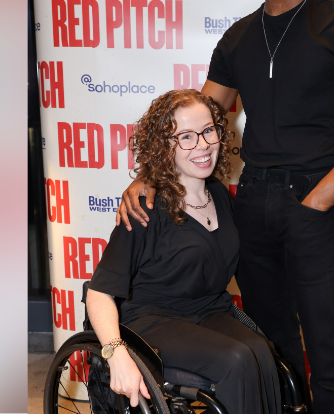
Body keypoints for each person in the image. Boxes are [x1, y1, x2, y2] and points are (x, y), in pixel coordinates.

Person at [117, 0, 334, 414]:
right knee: (272, 352)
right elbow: (193, 120)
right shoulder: (238, 37)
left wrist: (318, 201)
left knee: (333, 358)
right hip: (253, 210)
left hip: (319, 203)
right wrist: (149, 174)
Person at [87, 89, 281, 414]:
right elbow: (98, 294)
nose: (203, 145)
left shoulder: (220, 195)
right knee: (236, 360)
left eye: (208, 131)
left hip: (209, 310)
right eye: (186, 137)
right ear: (165, 147)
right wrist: (115, 353)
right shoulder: (144, 207)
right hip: (152, 318)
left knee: (262, 351)